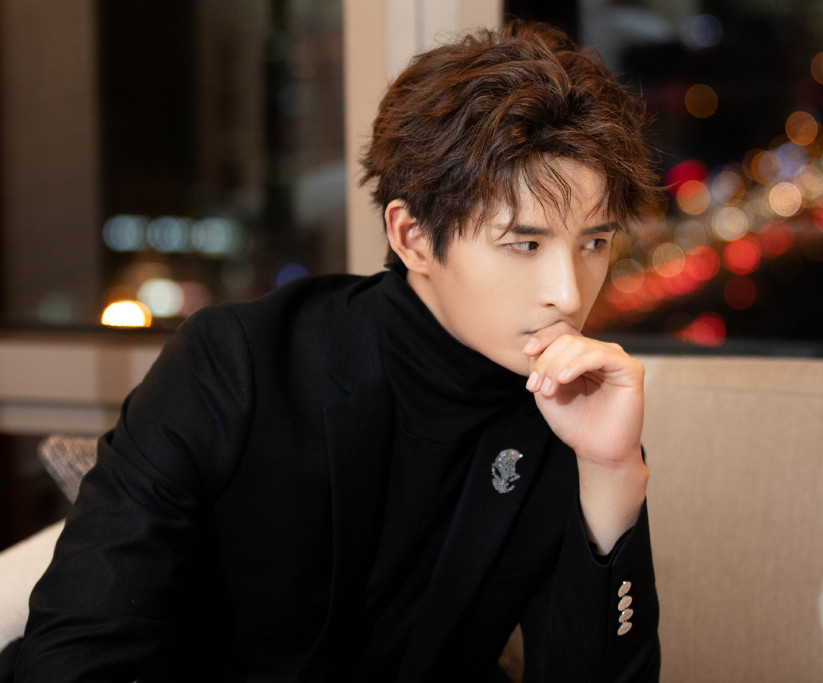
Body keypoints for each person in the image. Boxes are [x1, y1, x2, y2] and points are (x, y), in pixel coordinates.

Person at [14, 19, 662, 682]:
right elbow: (74, 652)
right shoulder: (238, 364)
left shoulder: (568, 409)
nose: (569, 293)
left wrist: (612, 473)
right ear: (412, 237)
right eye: (524, 243)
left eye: (594, 243)